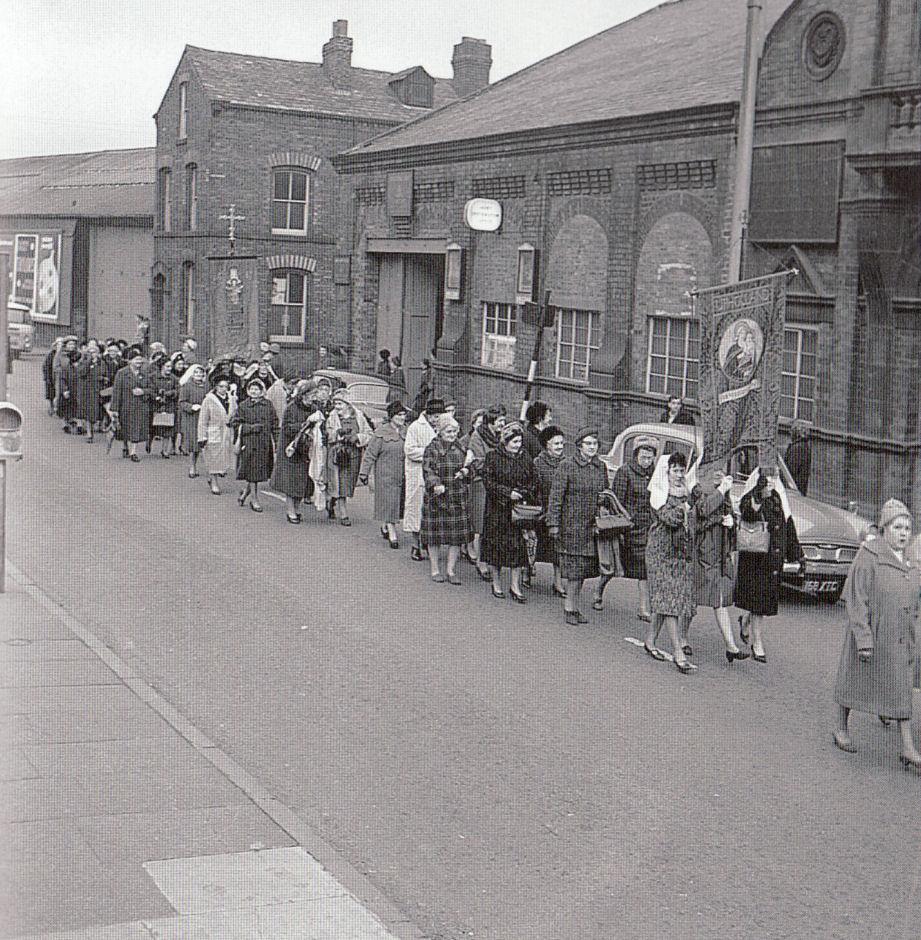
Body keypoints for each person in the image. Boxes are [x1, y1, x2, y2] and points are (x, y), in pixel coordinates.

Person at [833, 499, 921, 769]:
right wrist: (863, 639)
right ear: (884, 528)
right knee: (854, 684)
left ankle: (907, 747)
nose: (903, 533)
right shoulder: (869, 555)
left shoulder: (911, 561)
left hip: (899, 637)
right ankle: (840, 727)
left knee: (901, 687)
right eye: (897, 527)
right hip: (872, 633)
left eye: (907, 528)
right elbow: (855, 598)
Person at [734, 464, 802, 664]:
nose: (772, 482)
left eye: (775, 477)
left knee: (760, 601)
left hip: (772, 558)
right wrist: (758, 496)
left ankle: (745, 622)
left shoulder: (778, 498)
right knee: (759, 601)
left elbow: (787, 525)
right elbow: (747, 514)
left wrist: (798, 555)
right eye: (768, 478)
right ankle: (757, 642)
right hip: (756, 559)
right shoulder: (752, 497)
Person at [547, 428, 608, 626]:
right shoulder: (567, 466)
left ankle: (573, 606)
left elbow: (606, 494)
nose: (592, 447)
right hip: (571, 526)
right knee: (573, 572)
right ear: (579, 445)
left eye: (595, 444)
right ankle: (569, 608)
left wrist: (603, 508)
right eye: (588, 444)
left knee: (582, 571)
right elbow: (556, 496)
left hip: (591, 527)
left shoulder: (600, 467)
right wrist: (553, 523)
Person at [644, 452, 698, 673]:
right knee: (670, 603)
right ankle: (678, 653)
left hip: (680, 554)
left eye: (681, 470)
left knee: (666, 601)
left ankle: (650, 641)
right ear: (665, 472)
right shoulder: (657, 494)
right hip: (660, 553)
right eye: (674, 470)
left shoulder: (687, 493)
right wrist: (685, 510)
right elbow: (670, 519)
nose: (678, 474)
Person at [692, 461, 750, 663]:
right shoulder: (698, 489)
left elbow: (727, 514)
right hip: (701, 552)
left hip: (718, 552)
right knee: (692, 599)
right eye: (716, 471)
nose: (720, 474)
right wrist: (722, 492)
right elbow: (701, 514)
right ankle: (681, 638)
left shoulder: (722, 491)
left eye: (722, 471)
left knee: (718, 600)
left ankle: (731, 646)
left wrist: (731, 521)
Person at [594, 436, 657, 617]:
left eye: (650, 457)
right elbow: (617, 502)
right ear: (636, 455)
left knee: (645, 570)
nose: (647, 461)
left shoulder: (655, 473)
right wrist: (625, 523)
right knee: (614, 566)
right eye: (643, 457)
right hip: (628, 528)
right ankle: (598, 591)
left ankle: (644, 608)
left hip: (648, 528)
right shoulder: (625, 472)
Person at [480, 422, 538, 602]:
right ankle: (496, 583)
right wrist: (507, 493)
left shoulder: (525, 458)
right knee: (496, 548)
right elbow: (488, 481)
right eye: (514, 442)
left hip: (518, 511)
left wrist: (522, 492)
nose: (518, 445)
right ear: (505, 442)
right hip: (497, 511)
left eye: (519, 441)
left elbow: (534, 480)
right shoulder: (493, 457)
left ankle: (515, 586)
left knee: (518, 549)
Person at [420, 415, 472, 583]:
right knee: (434, 536)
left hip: (457, 496)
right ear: (440, 431)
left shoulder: (461, 447)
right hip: (437, 498)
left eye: (455, 431)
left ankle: (450, 570)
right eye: (449, 431)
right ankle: (435, 569)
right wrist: (435, 484)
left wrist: (466, 471)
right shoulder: (432, 448)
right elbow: (428, 470)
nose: (453, 434)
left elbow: (472, 466)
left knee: (456, 537)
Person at [271, 380, 325, 523]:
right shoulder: (291, 408)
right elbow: (287, 428)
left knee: (303, 481)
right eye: (312, 393)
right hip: (292, 449)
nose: (314, 396)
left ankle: (296, 508)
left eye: (315, 393)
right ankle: (291, 511)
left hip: (306, 449)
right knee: (291, 481)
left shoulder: (314, 408)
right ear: (304, 394)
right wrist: (305, 424)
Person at [358, 400, 408, 549]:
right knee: (389, 502)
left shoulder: (407, 431)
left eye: (404, 415)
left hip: (403, 474)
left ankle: (386, 525)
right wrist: (364, 473)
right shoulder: (381, 433)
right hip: (385, 475)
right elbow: (370, 454)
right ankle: (392, 532)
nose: (402, 418)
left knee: (397, 504)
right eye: (399, 415)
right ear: (392, 416)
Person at [465, 406, 507, 580]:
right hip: (481, 483)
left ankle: (491, 559)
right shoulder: (477, 436)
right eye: (500, 421)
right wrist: (499, 465)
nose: (503, 424)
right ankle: (481, 563)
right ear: (491, 422)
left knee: (494, 525)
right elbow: (479, 462)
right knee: (480, 525)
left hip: (496, 485)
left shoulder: (501, 437)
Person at [228, 378, 278, 512]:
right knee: (253, 472)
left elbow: (275, 424)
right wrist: (250, 428)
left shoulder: (268, 405)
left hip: (264, 444)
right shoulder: (244, 406)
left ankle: (244, 494)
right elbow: (235, 423)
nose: (254, 391)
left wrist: (277, 442)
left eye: (257, 389)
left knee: (258, 473)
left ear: (262, 391)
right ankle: (254, 500)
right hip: (249, 444)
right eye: (251, 389)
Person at [404, 398, 445, 560]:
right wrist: (430, 453)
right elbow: (410, 450)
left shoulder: (443, 428)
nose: (436, 419)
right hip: (418, 474)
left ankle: (429, 543)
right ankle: (415, 545)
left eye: (439, 416)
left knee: (433, 511)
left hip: (435, 475)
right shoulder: (415, 427)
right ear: (427, 415)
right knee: (416, 508)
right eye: (434, 416)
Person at [325, 390, 372, 525]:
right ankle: (343, 513)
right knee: (339, 481)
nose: (337, 407)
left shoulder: (359, 416)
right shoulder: (332, 417)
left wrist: (357, 437)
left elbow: (369, 433)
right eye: (335, 403)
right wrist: (338, 434)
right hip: (337, 453)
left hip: (353, 454)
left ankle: (332, 501)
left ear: (347, 404)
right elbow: (327, 435)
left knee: (348, 482)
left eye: (340, 403)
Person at [533, 426, 566, 597]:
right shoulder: (538, 463)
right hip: (541, 511)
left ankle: (558, 581)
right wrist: (540, 507)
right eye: (556, 443)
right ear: (547, 445)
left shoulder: (566, 463)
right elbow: (534, 488)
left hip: (559, 513)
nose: (560, 447)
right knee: (535, 543)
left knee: (558, 549)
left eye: (562, 443)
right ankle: (527, 571)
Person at [110, 351, 154, 462]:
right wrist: (114, 409)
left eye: (140, 359)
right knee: (125, 427)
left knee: (136, 429)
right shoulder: (122, 373)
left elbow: (152, 389)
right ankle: (125, 446)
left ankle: (133, 452)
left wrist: (143, 391)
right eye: (136, 359)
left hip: (140, 406)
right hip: (126, 405)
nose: (139, 362)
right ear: (130, 361)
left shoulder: (145, 374)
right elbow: (116, 391)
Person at [197, 376, 237, 494]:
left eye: (226, 386)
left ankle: (213, 476)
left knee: (223, 456)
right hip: (213, 431)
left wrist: (233, 420)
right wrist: (202, 436)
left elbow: (235, 413)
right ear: (215, 387)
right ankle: (214, 482)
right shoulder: (209, 400)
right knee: (213, 457)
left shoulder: (231, 399)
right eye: (221, 386)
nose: (223, 389)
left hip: (227, 431)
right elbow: (203, 419)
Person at [178, 365, 208, 478]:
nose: (199, 375)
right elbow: (181, 403)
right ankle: (192, 466)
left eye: (201, 373)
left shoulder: (207, 386)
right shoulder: (186, 386)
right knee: (192, 443)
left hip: (203, 417)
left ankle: (205, 467)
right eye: (196, 373)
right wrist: (191, 407)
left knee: (202, 443)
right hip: (191, 418)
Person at [75, 340, 105, 443]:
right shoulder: (83, 362)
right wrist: (88, 362)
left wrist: (102, 378)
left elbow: (105, 373)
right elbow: (81, 373)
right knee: (88, 413)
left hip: (98, 390)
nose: (93, 354)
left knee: (96, 413)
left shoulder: (102, 363)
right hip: (87, 391)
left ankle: (97, 426)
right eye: (90, 352)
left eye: (94, 352)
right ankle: (89, 434)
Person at [150, 359, 179, 458]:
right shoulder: (153, 377)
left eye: (170, 367)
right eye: (167, 366)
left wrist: (171, 393)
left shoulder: (174, 378)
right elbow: (150, 389)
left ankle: (164, 450)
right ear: (162, 366)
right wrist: (155, 396)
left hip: (169, 405)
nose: (169, 369)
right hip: (155, 405)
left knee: (168, 428)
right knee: (153, 427)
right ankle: (149, 442)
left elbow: (178, 390)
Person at [784, 421, 812, 495]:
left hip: (793, 489)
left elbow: (790, 471)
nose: (790, 434)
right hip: (799, 488)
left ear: (796, 433)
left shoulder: (798, 448)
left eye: (792, 431)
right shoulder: (804, 446)